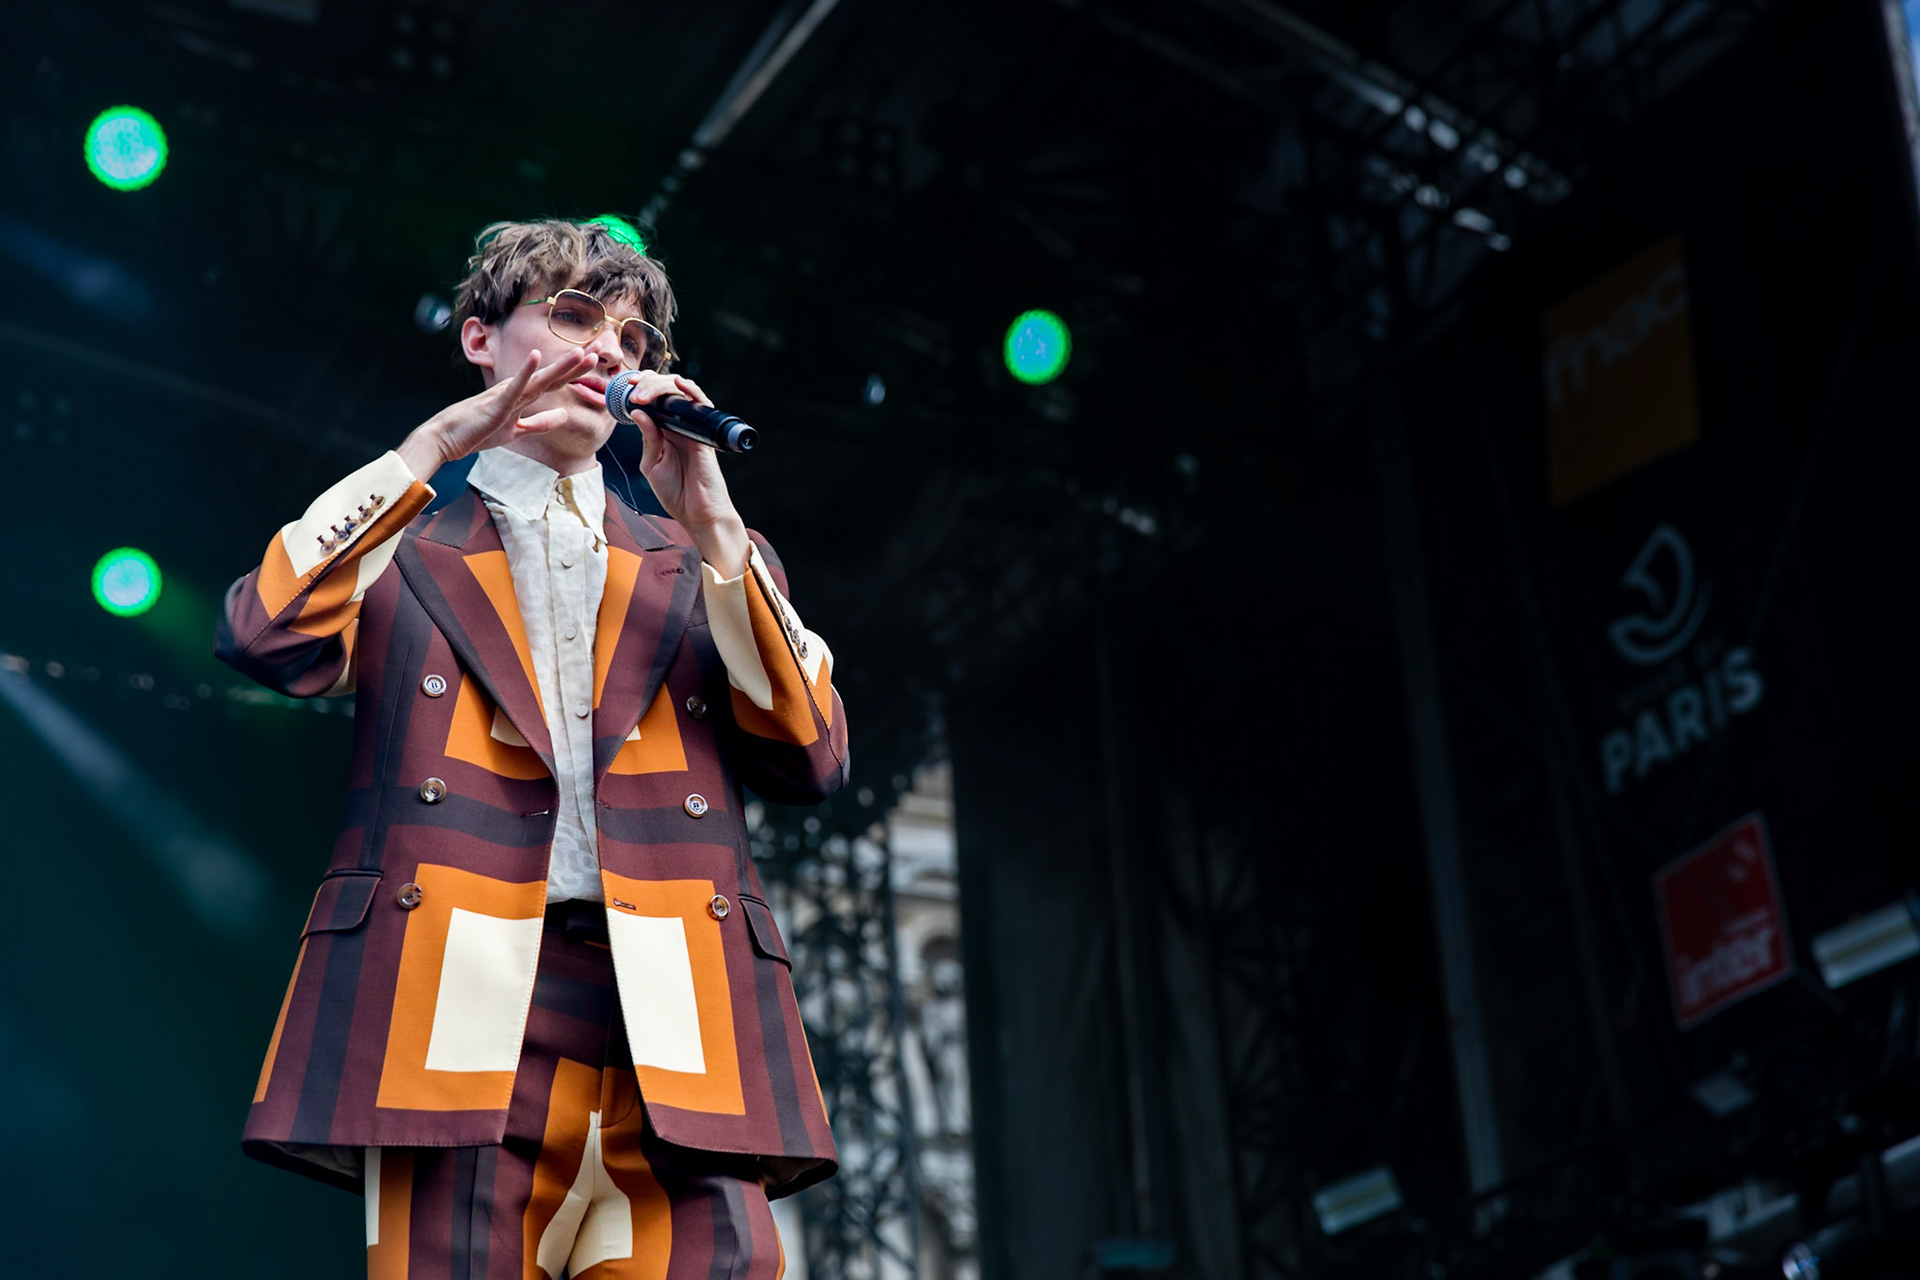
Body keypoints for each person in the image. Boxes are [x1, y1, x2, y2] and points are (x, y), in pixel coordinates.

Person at [215, 218, 846, 1279]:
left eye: (635, 340)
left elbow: (814, 751)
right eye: (572, 314)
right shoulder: (405, 549)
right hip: (454, 1013)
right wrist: (430, 450)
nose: (609, 350)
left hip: (679, 1020)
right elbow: (264, 630)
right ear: (480, 340)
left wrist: (713, 520)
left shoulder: (704, 561)